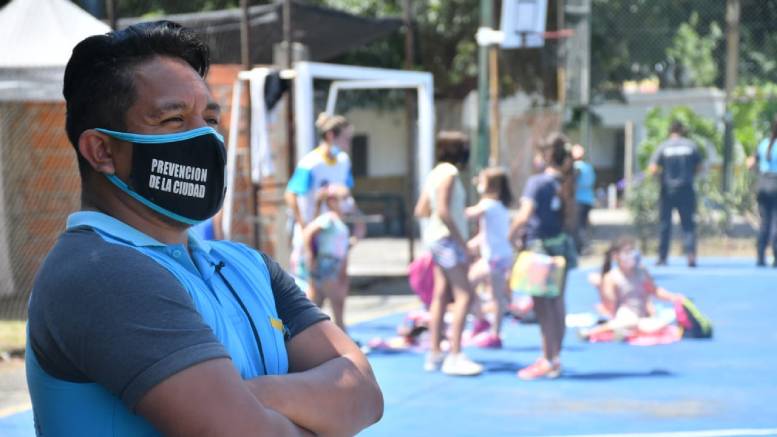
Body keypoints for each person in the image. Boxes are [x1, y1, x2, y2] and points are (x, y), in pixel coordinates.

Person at [26, 21, 382, 437]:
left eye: (210, 119)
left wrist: (256, 395)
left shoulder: (249, 265)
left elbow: (365, 393)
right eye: (173, 119)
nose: (204, 138)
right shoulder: (99, 272)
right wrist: (316, 414)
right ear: (102, 150)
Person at [414, 131, 483, 376]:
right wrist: (462, 242)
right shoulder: (450, 174)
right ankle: (455, 354)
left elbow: (422, 209)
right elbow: (443, 210)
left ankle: (434, 352)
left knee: (441, 296)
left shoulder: (434, 173)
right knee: (464, 295)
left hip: (435, 239)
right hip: (446, 240)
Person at [509, 133, 577, 380]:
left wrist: (510, 236)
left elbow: (524, 215)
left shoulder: (537, 183)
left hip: (540, 249)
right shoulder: (567, 181)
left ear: (545, 156)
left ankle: (548, 359)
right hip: (561, 246)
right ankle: (554, 357)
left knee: (543, 307)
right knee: (557, 302)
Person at [286, 113, 358, 310]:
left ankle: (336, 333)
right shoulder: (311, 163)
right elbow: (291, 194)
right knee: (312, 293)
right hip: (313, 235)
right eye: (345, 138)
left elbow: (347, 193)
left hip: (332, 236)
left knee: (338, 291)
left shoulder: (343, 162)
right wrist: (303, 225)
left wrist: (357, 222)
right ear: (330, 136)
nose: (348, 143)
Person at [579, 237, 684, 340]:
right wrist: (600, 287)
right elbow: (610, 306)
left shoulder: (642, 271)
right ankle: (592, 332)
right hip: (625, 314)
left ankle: (625, 332)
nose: (631, 255)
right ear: (616, 256)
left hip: (642, 316)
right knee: (630, 321)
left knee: (659, 324)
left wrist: (673, 297)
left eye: (632, 251)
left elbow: (654, 290)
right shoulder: (612, 277)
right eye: (627, 252)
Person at [465, 167, 514, 348]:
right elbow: (487, 233)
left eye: (482, 180)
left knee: (496, 296)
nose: (478, 182)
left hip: (496, 257)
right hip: (495, 256)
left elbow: (468, 214)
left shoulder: (488, 204)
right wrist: (471, 244)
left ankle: (495, 333)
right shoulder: (498, 207)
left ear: (491, 185)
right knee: (468, 283)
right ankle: (481, 320)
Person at [648, 121, 703, 267]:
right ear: (682, 131)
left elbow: (653, 168)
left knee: (665, 224)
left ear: (670, 131)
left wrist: (660, 177)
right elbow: (699, 167)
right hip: (686, 189)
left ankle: (662, 257)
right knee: (688, 224)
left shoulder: (664, 147)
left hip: (668, 190)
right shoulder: (691, 146)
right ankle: (690, 254)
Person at [302, 184, 351, 330]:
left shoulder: (338, 220)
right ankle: (343, 334)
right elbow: (309, 233)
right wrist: (311, 254)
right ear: (331, 201)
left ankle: (307, 332)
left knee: (317, 303)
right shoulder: (328, 219)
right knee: (336, 301)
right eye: (344, 198)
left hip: (335, 264)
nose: (348, 202)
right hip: (326, 264)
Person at [747, 116, 777, 267]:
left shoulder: (764, 143)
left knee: (765, 221)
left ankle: (760, 256)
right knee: (776, 222)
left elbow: (750, 163)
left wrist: (759, 172)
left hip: (763, 183)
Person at [572, 144, 596, 254]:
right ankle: (586, 245)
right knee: (584, 224)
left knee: (578, 225)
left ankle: (581, 247)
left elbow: (573, 183)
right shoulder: (588, 167)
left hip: (578, 199)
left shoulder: (576, 167)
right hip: (589, 199)